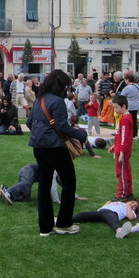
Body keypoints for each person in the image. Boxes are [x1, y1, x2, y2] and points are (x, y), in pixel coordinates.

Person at [27, 69, 87, 236]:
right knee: (69, 183)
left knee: (44, 185)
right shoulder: (58, 101)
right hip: (55, 147)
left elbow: (30, 122)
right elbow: (62, 126)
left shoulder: (40, 98)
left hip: (38, 146)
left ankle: (45, 227)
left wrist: (41, 134)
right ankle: (64, 223)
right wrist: (81, 134)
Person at [71, 200, 138, 239]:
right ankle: (68, 220)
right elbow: (104, 206)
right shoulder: (119, 202)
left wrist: (128, 206)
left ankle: (119, 230)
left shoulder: (129, 209)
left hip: (112, 213)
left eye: (135, 206)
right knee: (84, 215)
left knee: (113, 220)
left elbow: (131, 217)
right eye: (132, 202)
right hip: (101, 212)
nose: (133, 205)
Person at [111, 94, 134, 201]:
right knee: (126, 171)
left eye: (116, 107)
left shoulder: (125, 119)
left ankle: (122, 193)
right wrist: (115, 145)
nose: (115, 110)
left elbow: (125, 137)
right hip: (121, 149)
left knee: (122, 172)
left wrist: (121, 152)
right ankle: (128, 191)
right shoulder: (125, 118)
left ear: (123, 106)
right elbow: (121, 136)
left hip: (123, 151)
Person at [120, 73, 139, 138]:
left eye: (125, 80)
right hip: (136, 105)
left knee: (128, 121)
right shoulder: (137, 86)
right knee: (134, 121)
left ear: (128, 80)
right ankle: (135, 134)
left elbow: (122, 96)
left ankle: (129, 134)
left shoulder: (127, 88)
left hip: (129, 106)